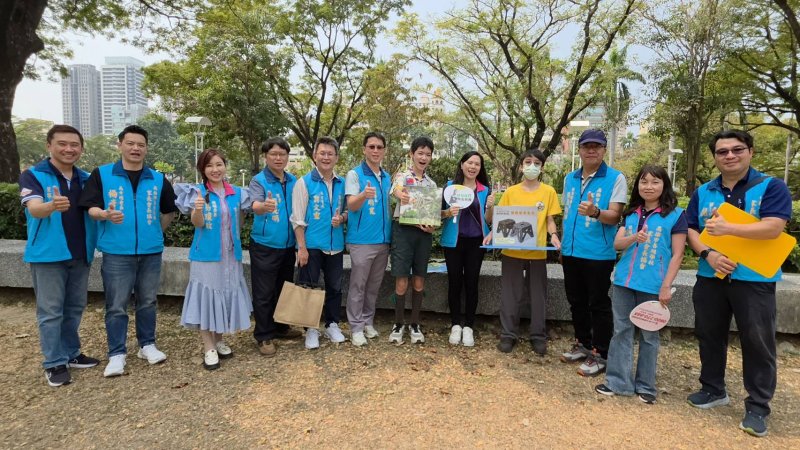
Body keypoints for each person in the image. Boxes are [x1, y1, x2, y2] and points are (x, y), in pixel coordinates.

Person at [685, 130, 792, 437]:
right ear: (715, 157)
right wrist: (708, 254)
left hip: (754, 279)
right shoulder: (704, 191)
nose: (729, 156)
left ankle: (758, 406)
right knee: (708, 334)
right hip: (711, 276)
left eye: (736, 150)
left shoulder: (771, 186)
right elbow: (691, 228)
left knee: (757, 342)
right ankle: (713, 389)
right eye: (722, 152)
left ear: (750, 152)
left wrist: (726, 228)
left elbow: (773, 227)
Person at [79, 124, 177, 377]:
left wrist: (155, 232)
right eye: (130, 143)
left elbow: (169, 211)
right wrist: (103, 214)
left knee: (147, 301)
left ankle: (147, 345)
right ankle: (117, 353)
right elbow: (89, 206)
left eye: (141, 145)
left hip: (151, 251)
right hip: (116, 252)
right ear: (120, 145)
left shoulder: (157, 178)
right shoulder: (102, 175)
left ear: (146, 148)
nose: (136, 148)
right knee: (117, 305)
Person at [594, 165, 686, 404]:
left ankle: (646, 385)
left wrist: (666, 285)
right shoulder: (632, 213)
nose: (648, 187)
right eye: (644, 182)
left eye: (655, 182)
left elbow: (677, 255)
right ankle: (618, 382)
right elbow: (617, 245)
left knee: (649, 335)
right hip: (624, 280)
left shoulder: (675, 215)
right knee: (621, 331)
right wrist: (634, 237)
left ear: (664, 185)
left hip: (653, 284)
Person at [20, 125, 99, 386]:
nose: (69, 149)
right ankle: (54, 362)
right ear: (49, 145)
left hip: (80, 252)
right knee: (51, 311)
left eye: (74, 145)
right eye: (62, 144)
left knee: (74, 307)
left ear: (81, 148)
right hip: (48, 255)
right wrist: (51, 205)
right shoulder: (34, 175)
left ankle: (71, 353)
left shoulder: (86, 178)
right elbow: (34, 209)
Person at [175, 149, 252, 370]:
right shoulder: (196, 192)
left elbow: (240, 221)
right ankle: (208, 345)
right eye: (209, 166)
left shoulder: (237, 193)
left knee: (224, 295)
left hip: (230, 255)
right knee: (207, 296)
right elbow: (197, 223)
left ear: (225, 166)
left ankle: (219, 340)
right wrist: (197, 210)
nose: (215, 169)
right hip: (206, 255)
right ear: (202, 169)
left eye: (219, 164)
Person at [560, 129, 627, 376]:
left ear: (604, 149)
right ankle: (582, 343)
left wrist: (595, 212)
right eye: (586, 146)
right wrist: (564, 246)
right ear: (579, 149)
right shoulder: (570, 178)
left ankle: (601, 352)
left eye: (596, 146)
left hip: (599, 254)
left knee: (598, 303)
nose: (591, 150)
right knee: (575, 301)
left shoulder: (616, 178)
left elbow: (615, 216)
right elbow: (567, 215)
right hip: (571, 251)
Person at [490, 149, 562, 355]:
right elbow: (502, 219)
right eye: (528, 162)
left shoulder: (548, 192)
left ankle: (538, 335)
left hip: (537, 252)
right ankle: (508, 335)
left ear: (542, 168)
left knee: (538, 295)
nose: (532, 166)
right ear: (521, 166)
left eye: (537, 163)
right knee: (510, 295)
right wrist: (492, 234)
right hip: (512, 251)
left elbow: (549, 220)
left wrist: (554, 235)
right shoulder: (511, 192)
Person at [249, 137, 304, 357]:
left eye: (282, 154)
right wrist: (264, 206)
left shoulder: (293, 180)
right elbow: (254, 205)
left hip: (288, 245)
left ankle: (281, 326)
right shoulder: (259, 180)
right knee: (263, 292)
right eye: (274, 154)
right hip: (265, 245)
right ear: (266, 156)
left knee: (283, 289)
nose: (278, 158)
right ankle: (263, 336)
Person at [291, 137, 348, 349]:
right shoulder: (304, 183)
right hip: (312, 246)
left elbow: (347, 211)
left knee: (335, 287)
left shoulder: (341, 183)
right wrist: (302, 248)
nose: (326, 157)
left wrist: (342, 218)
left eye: (330, 154)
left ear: (336, 157)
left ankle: (332, 323)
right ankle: (310, 329)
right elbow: (297, 219)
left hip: (336, 246)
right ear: (315, 156)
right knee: (309, 288)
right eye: (322, 153)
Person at [440, 151, 494, 347]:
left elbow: (488, 220)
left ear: (480, 169)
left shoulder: (485, 190)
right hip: (453, 242)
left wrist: (490, 206)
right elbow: (437, 215)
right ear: (462, 165)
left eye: (477, 164)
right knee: (454, 281)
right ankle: (455, 324)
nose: (473, 167)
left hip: (476, 243)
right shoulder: (449, 188)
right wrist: (448, 212)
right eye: (469, 163)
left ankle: (469, 326)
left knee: (472, 281)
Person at [388, 137, 438, 345]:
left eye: (428, 154)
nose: (424, 157)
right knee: (401, 279)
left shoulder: (431, 184)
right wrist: (402, 195)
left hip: (423, 235)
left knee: (419, 279)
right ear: (412, 154)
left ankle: (415, 323)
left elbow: (432, 213)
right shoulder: (402, 176)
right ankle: (398, 323)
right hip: (403, 232)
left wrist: (433, 225)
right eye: (420, 153)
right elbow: (395, 190)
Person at [345, 131, 392, 347]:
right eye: (371, 147)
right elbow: (351, 205)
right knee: (358, 286)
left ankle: (367, 321)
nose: (375, 151)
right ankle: (355, 326)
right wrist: (364, 195)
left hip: (383, 241)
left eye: (379, 147)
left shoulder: (387, 176)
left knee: (373, 286)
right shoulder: (355, 174)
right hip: (361, 241)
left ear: (384, 151)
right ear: (364, 149)